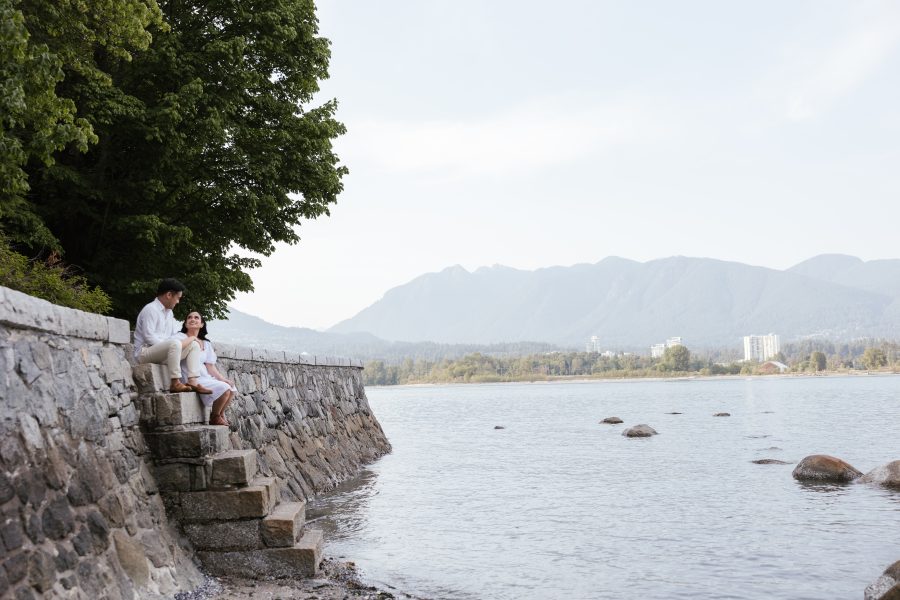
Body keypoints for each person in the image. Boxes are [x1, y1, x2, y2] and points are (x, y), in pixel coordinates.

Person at [133, 278, 212, 395]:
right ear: (169, 295)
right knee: (176, 343)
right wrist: (171, 345)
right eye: (178, 298)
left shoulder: (169, 313)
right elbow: (149, 337)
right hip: (144, 353)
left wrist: (173, 345)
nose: (178, 301)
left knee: (194, 344)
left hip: (162, 353)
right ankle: (175, 382)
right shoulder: (150, 309)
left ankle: (193, 381)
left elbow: (170, 337)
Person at [174, 311, 237, 426]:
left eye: (196, 318)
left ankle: (220, 414)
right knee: (225, 389)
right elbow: (174, 350)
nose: (192, 319)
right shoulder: (180, 337)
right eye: (189, 317)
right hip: (191, 377)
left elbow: (210, 366)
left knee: (231, 387)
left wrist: (222, 378)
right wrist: (192, 338)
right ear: (185, 323)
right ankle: (215, 416)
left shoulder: (206, 343)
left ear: (202, 324)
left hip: (205, 376)